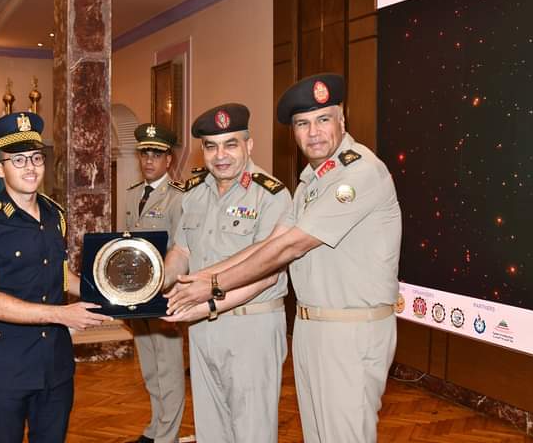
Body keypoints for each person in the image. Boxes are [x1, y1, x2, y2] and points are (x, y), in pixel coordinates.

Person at [166, 74, 402, 443]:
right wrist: (194, 283)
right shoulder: (312, 181)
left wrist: (211, 287)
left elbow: (289, 247)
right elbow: (268, 245)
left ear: (342, 120)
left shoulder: (359, 173)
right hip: (310, 326)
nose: (313, 133)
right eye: (302, 124)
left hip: (351, 329)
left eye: (323, 120)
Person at [0, 111, 112, 443]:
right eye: (18, 160)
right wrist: (62, 314)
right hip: (5, 367)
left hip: (55, 366)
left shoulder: (54, 214)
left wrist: (110, 292)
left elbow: (61, 275)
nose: (30, 167)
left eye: (36, 157)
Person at [161, 103, 293, 443]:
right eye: (211, 146)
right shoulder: (194, 194)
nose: (220, 156)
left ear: (249, 145)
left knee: (252, 432)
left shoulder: (271, 195)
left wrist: (206, 303)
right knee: (211, 430)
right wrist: (159, 282)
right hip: (201, 326)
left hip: (251, 326)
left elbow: (268, 272)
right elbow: (182, 252)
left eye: (230, 144)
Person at [123, 123, 186, 443]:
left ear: (169, 159)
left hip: (165, 295)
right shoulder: (132, 194)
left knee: (168, 368)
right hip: (137, 294)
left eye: (156, 155)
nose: (149, 160)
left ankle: (167, 435)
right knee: (149, 365)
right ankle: (156, 426)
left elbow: (182, 250)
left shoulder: (178, 198)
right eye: (144, 154)